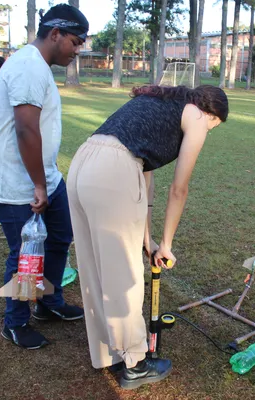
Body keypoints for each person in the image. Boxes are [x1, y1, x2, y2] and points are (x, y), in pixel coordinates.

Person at [65, 85, 228, 389]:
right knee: (123, 274)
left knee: (94, 267)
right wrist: (167, 244)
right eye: (214, 125)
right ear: (212, 115)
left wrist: (148, 241)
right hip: (113, 173)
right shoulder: (196, 117)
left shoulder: (159, 106)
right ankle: (136, 364)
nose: (210, 130)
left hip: (82, 165)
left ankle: (109, 353)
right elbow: (179, 189)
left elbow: (144, 191)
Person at [0, 4, 89, 350]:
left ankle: (47, 304)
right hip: (16, 184)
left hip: (44, 179)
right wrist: (38, 185)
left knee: (58, 238)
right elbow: (26, 130)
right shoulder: (27, 66)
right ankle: (15, 322)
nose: (78, 49)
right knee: (26, 254)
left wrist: (45, 180)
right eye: (76, 41)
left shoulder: (36, 65)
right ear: (55, 34)